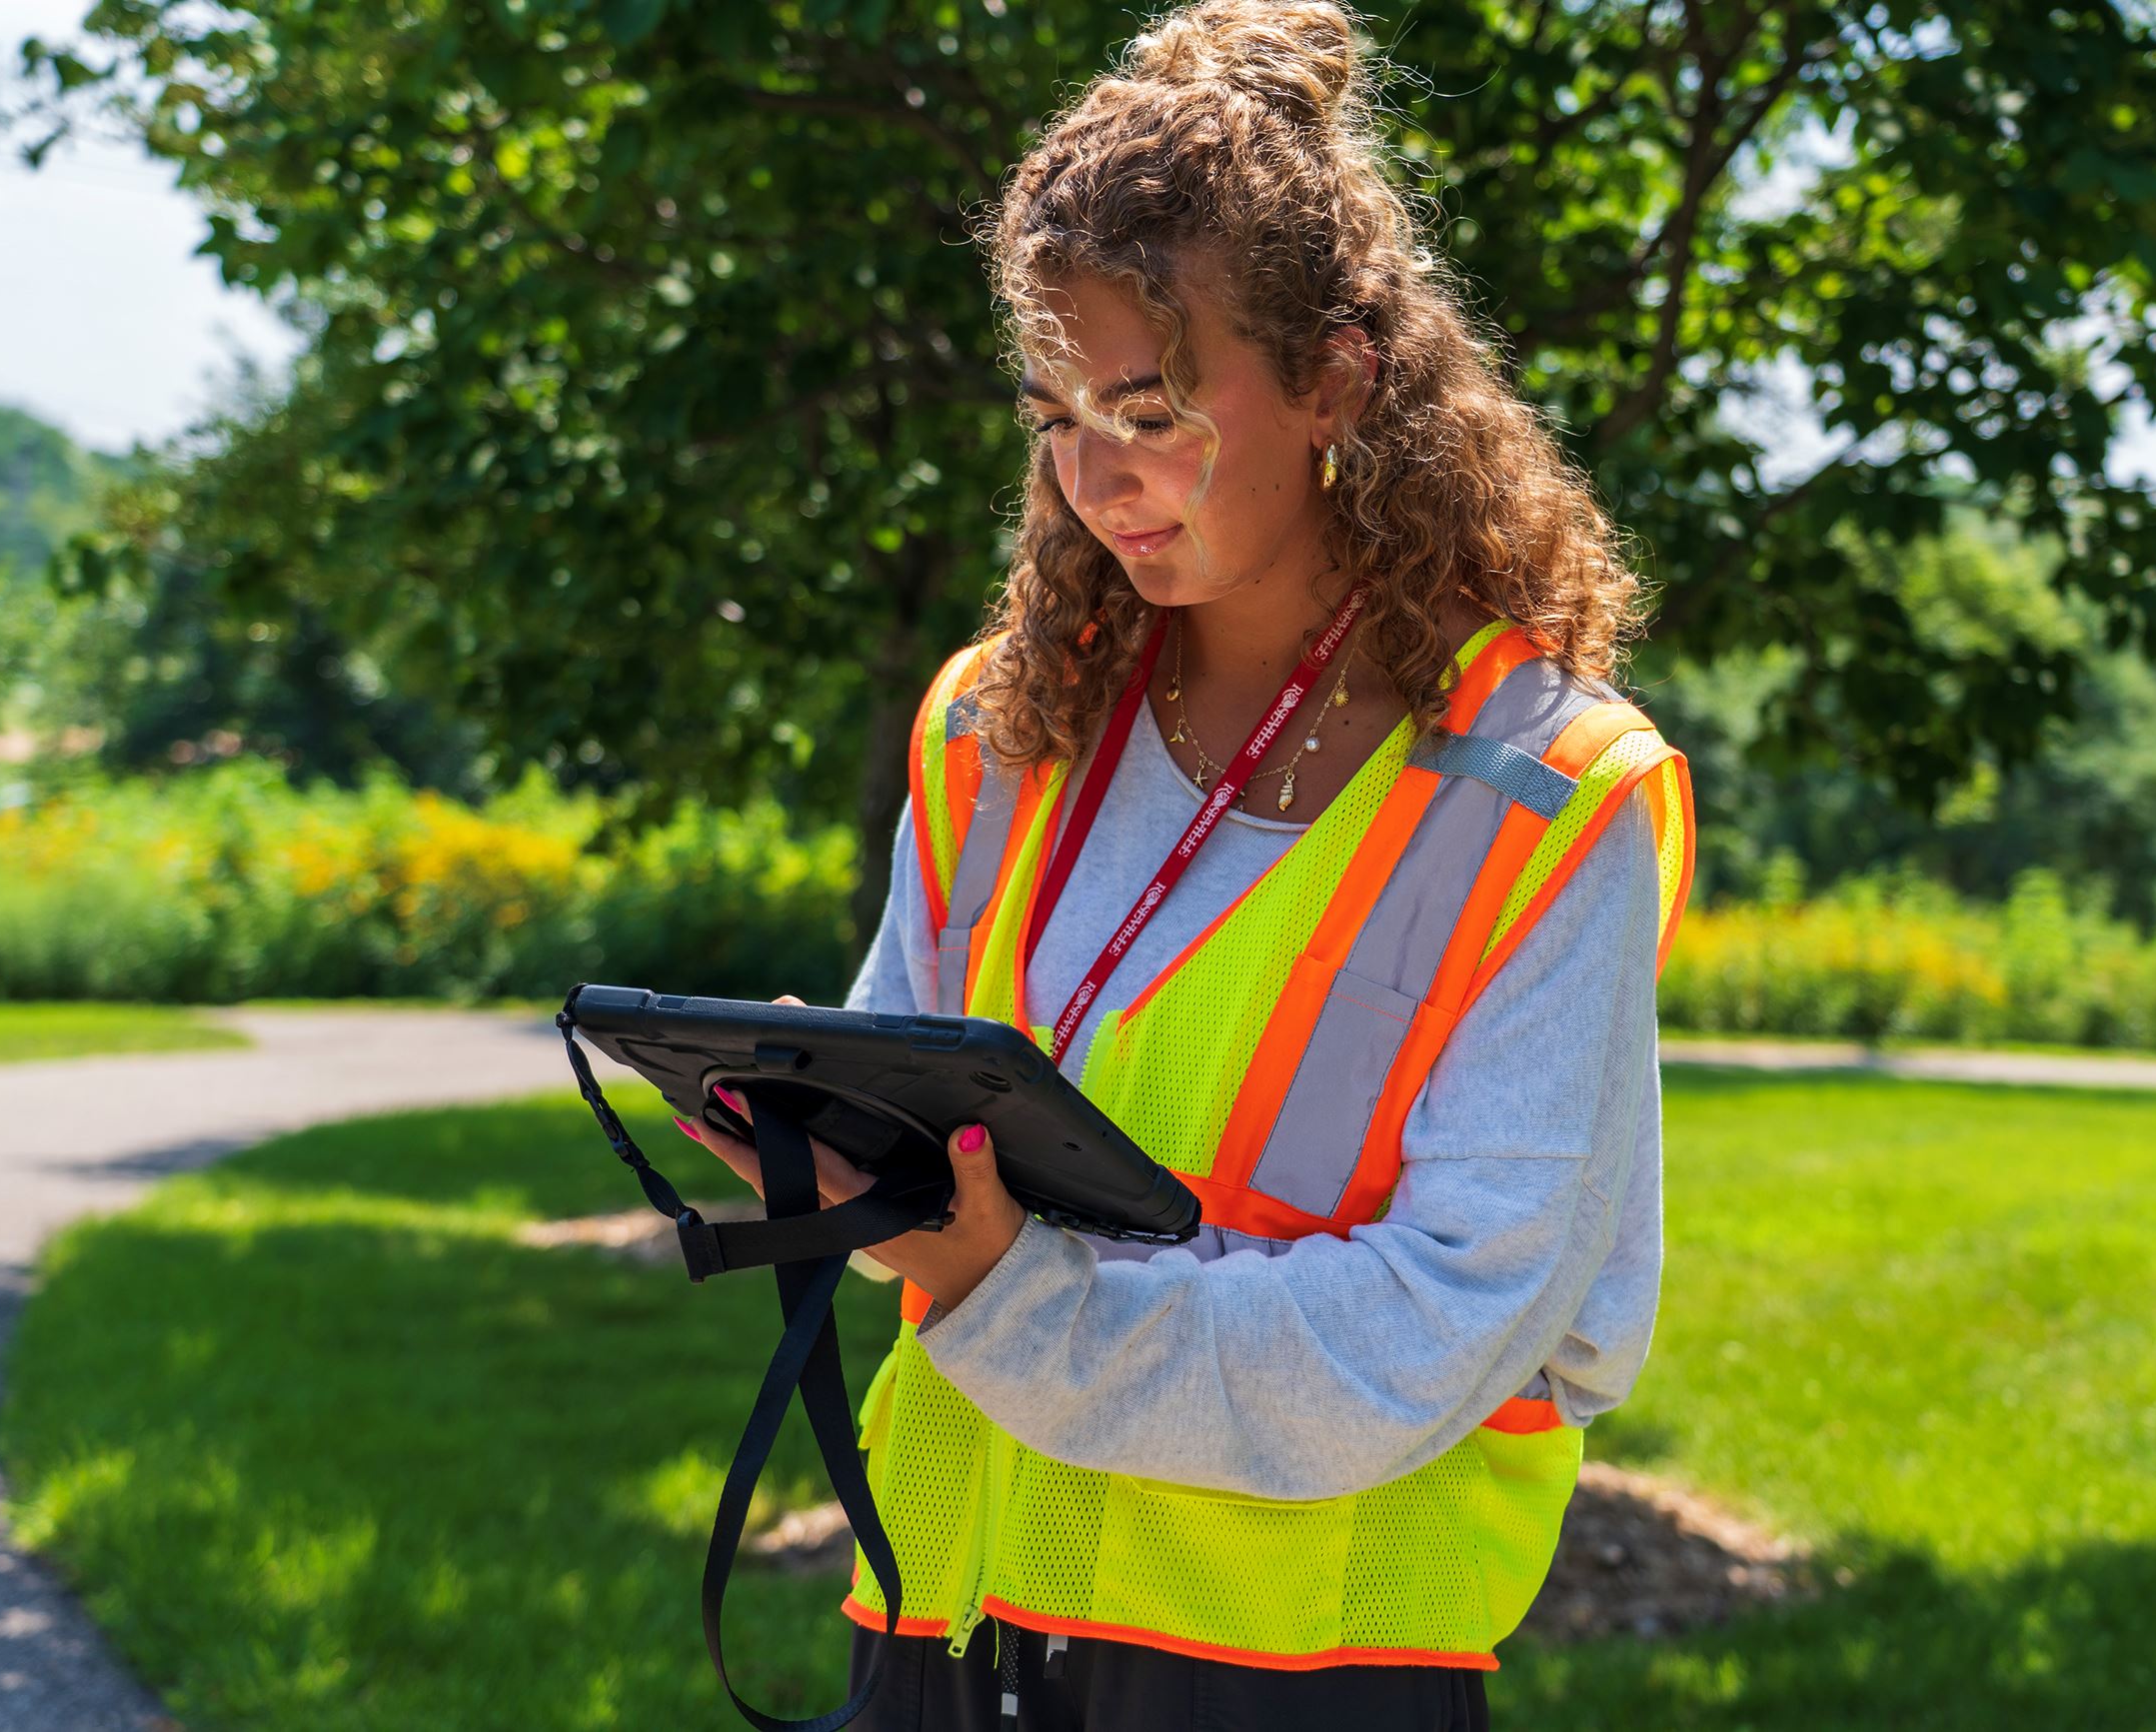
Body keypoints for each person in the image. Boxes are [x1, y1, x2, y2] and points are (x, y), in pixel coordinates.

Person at [683, 2, 1695, 1725]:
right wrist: (830, 1141)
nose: (1097, 481)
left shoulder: (1548, 798)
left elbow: (1443, 1321)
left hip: (1298, 1670)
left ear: (1338, 377)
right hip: (944, 1634)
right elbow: (911, 1201)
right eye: (1053, 416)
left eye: (1149, 405)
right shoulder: (998, 730)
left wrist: (1001, 1294)